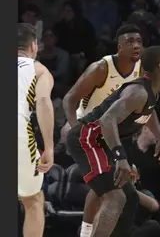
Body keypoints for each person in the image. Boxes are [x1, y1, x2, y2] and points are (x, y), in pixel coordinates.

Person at [65, 46, 160, 237]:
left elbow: (149, 113)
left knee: (130, 199)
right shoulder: (138, 92)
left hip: (104, 143)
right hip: (88, 138)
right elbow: (107, 120)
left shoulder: (152, 92)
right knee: (114, 197)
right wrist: (120, 157)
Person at [62, 24, 143, 237]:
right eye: (130, 42)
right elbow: (69, 99)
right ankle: (87, 232)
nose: (136, 46)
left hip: (109, 130)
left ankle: (94, 231)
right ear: (118, 46)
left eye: (139, 41)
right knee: (105, 188)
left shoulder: (140, 70)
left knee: (117, 189)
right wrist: (74, 130)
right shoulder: (101, 68)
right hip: (84, 129)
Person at [18, 23, 55, 237]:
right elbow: (42, 101)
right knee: (33, 200)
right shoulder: (38, 69)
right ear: (34, 46)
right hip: (18, 131)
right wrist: (48, 146)